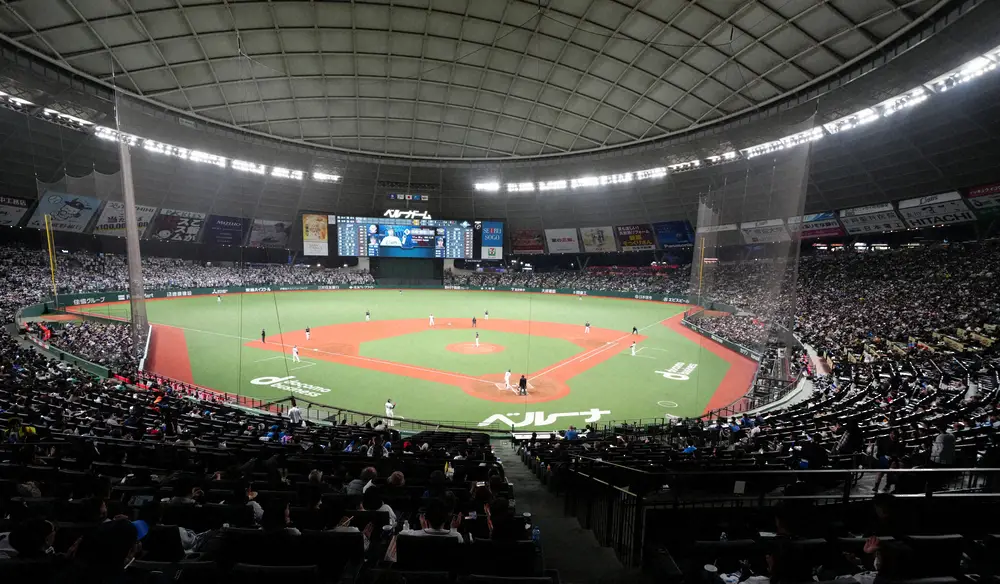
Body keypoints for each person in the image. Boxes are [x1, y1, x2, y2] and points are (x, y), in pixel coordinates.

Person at [399, 496, 463, 542]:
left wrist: (425, 530)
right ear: (446, 518)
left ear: (426, 518)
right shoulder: (457, 537)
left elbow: (401, 534)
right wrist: (453, 529)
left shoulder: (411, 536)